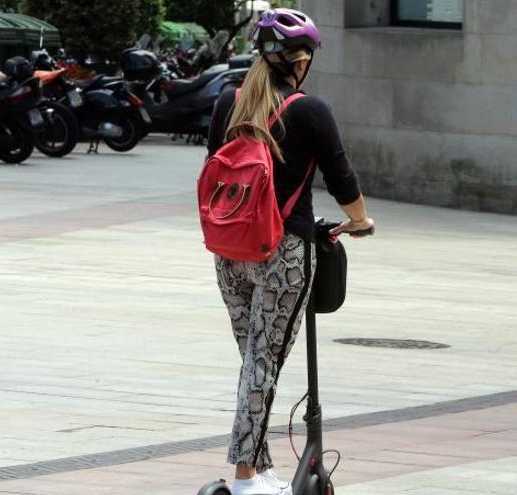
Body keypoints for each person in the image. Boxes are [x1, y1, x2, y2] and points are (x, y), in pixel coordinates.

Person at [206, 8, 374, 495]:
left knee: (254, 363)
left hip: (229, 249)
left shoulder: (227, 102)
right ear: (300, 61)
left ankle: (257, 470)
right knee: (264, 365)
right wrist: (360, 221)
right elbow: (343, 180)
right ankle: (243, 479)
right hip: (282, 254)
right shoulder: (308, 110)